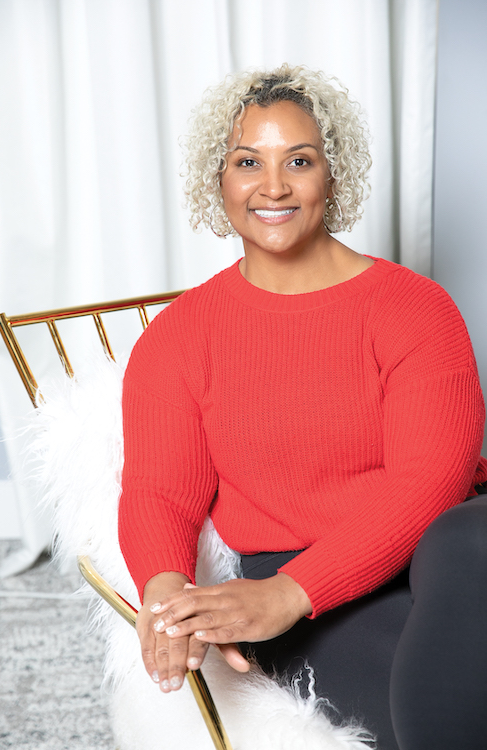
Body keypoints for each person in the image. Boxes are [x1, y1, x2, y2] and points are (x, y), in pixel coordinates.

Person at [118, 64, 487, 750]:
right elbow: (160, 491)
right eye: (247, 161)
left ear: (333, 176)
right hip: (307, 598)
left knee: (471, 536)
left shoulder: (414, 309)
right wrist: (170, 600)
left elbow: (431, 481)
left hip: (440, 553)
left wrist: (288, 593)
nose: (274, 185)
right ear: (217, 181)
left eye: (300, 160)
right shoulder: (180, 337)